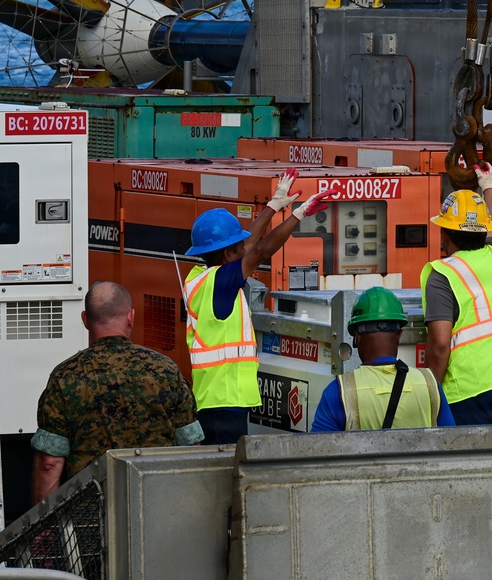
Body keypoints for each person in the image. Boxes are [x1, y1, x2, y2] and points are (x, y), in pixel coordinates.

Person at [184, 168, 335, 445]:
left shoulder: (200, 277)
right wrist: (297, 216)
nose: (245, 250)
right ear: (228, 255)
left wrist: (273, 206)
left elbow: (249, 243)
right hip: (224, 400)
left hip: (214, 398)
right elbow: (261, 250)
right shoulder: (222, 282)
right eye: (238, 249)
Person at [31, 281, 203, 504]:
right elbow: (192, 450)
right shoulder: (165, 370)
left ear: (85, 320)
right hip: (158, 506)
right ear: (130, 317)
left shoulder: (65, 376)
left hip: (90, 512)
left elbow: (49, 463)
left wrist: (43, 527)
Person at [421, 162, 492, 425]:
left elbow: (439, 346)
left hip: (471, 392)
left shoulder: (442, 274)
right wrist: (489, 185)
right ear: (482, 230)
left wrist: (430, 396)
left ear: (445, 234)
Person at [311, 287, 454, 431]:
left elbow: (318, 449)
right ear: (399, 335)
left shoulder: (339, 391)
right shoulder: (430, 384)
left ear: (358, 338)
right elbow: (451, 442)